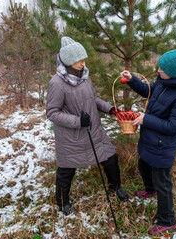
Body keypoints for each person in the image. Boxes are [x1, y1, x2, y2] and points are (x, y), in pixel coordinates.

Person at [46, 37, 129, 216]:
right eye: (80, 61)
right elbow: (52, 112)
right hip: (72, 138)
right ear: (68, 61)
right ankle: (62, 202)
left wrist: (110, 109)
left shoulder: (84, 77)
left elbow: (93, 99)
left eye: (84, 60)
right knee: (66, 171)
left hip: (94, 131)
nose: (84, 64)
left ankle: (115, 188)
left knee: (110, 157)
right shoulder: (57, 83)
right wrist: (77, 121)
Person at [120, 49, 176, 235]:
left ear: (174, 72)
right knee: (144, 164)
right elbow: (149, 91)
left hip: (163, 144)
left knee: (163, 182)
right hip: (150, 138)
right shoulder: (164, 81)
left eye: (162, 69)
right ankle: (150, 189)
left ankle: (167, 220)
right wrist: (132, 80)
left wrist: (146, 119)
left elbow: (174, 126)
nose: (158, 70)